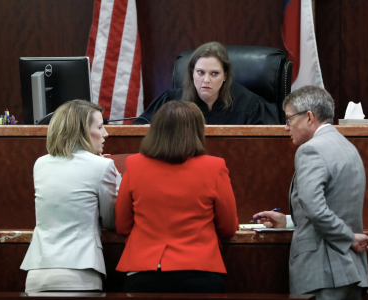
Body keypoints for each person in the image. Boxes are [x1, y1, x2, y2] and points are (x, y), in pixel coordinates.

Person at [253, 86, 368, 300]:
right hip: (351, 272)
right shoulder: (349, 148)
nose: (286, 127)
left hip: (322, 273)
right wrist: (289, 220)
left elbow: (316, 210)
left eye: (289, 119)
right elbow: (331, 206)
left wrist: (349, 238)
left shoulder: (311, 149)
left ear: (309, 117)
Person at [116, 100, 239, 293]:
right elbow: (229, 227)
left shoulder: (134, 164)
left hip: (145, 272)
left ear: (155, 129)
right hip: (201, 272)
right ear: (197, 131)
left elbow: (122, 224)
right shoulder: (215, 167)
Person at [20, 100, 121, 292]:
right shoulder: (102, 166)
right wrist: (118, 181)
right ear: (82, 132)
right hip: (80, 273)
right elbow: (111, 221)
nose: (106, 133)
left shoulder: (40, 164)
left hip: (38, 273)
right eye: (100, 127)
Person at [133, 41, 280, 125]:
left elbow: (267, 145)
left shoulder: (250, 105)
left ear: (225, 76)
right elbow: (138, 134)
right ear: (192, 73)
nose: (206, 80)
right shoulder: (170, 101)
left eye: (214, 73)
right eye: (200, 72)